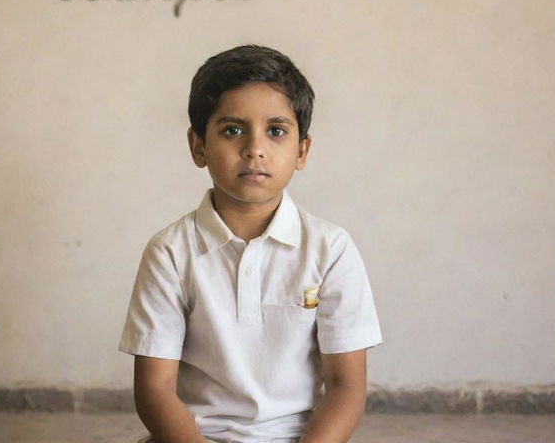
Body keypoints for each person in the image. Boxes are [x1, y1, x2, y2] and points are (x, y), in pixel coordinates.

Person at [119, 45, 382, 443]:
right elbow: (155, 391)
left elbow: (346, 387)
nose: (254, 148)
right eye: (232, 130)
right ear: (198, 146)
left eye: (275, 131)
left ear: (302, 151)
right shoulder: (170, 252)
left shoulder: (331, 250)